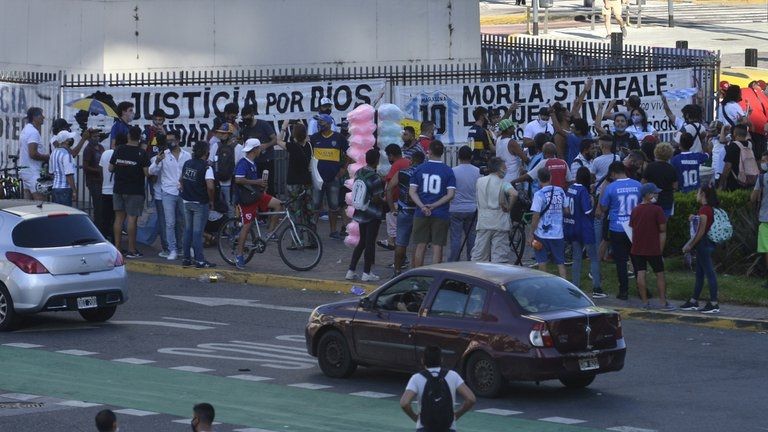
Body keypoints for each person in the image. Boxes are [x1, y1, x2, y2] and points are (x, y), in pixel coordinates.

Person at [400, 346, 476, 432]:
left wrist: (416, 418)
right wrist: (456, 415)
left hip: (424, 427)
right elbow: (471, 399)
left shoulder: (416, 378)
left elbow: (404, 403)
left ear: (423, 360)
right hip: (448, 427)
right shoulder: (453, 375)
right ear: (441, 359)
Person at [234, 139, 283, 269]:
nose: (261, 150)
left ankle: (270, 233)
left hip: (256, 195)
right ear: (255, 149)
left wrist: (260, 186)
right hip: (247, 200)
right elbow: (238, 179)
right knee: (247, 226)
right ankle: (239, 255)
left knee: (278, 204)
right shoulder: (243, 163)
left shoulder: (252, 162)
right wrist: (257, 182)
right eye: (259, 148)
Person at [409, 140, 456, 267]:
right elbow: (450, 194)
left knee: (420, 245)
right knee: (438, 246)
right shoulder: (448, 171)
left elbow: (412, 192)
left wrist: (422, 206)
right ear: (442, 153)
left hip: (421, 211)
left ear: (428, 152)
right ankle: (434, 275)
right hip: (441, 212)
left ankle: (417, 277)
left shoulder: (419, 169)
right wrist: (434, 205)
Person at [599, 161, 642, 300]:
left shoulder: (611, 187)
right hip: (635, 227)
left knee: (621, 261)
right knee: (637, 260)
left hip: (617, 227)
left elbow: (604, 207)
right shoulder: (638, 185)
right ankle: (642, 288)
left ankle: (623, 291)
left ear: (612, 173)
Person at [630, 183, 674, 310]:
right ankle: (663, 302)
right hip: (653, 249)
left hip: (637, 248)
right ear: (648, 195)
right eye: (655, 193)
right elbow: (662, 229)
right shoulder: (657, 210)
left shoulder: (635, 210)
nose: (657, 195)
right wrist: (660, 250)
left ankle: (645, 302)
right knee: (660, 274)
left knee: (640, 273)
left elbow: (633, 229)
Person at [680, 186, 722, 314]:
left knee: (709, 273)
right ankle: (693, 300)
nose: (696, 194)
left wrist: (690, 245)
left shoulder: (704, 209)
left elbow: (700, 231)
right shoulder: (709, 209)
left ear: (703, 194)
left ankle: (714, 303)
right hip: (706, 244)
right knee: (699, 273)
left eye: (698, 192)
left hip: (702, 244)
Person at [109, 126, 150, 258]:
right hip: (135, 190)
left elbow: (110, 168)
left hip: (119, 188)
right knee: (132, 219)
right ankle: (132, 250)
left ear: (128, 136)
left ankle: (117, 248)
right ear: (139, 138)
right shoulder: (141, 153)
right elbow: (146, 173)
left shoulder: (119, 149)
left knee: (119, 219)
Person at [346, 149, 386, 282]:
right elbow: (376, 198)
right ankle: (366, 272)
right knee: (369, 243)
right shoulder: (375, 178)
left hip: (360, 212)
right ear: (376, 161)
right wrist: (385, 202)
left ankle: (351, 270)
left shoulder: (359, 172)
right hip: (372, 214)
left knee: (362, 242)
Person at [149, 130, 190, 260]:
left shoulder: (187, 155)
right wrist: (157, 161)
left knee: (185, 221)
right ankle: (172, 250)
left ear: (178, 140)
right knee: (170, 223)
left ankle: (186, 248)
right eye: (168, 141)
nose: (170, 143)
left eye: (172, 140)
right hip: (168, 192)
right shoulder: (163, 155)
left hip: (183, 193)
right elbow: (151, 171)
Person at [565, 167, 604, 297]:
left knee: (576, 258)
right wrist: (592, 202)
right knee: (594, 258)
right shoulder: (582, 191)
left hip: (573, 226)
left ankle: (575, 286)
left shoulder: (570, 188)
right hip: (585, 228)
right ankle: (597, 288)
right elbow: (588, 212)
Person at [310, 113, 349, 240]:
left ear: (329, 123)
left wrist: (344, 168)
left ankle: (333, 231)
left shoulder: (339, 138)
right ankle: (312, 230)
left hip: (333, 178)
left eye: (322, 122)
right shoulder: (314, 138)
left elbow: (349, 152)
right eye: (319, 122)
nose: (319, 124)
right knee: (315, 205)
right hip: (317, 179)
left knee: (334, 206)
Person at [472, 157, 517, 263]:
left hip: (483, 221)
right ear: (500, 168)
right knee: (499, 257)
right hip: (500, 221)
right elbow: (514, 193)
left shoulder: (480, 181)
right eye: (505, 167)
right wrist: (509, 207)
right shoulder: (504, 183)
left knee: (479, 255)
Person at [179, 141, 216, 269]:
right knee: (197, 233)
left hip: (186, 201)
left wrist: (185, 191)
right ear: (206, 152)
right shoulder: (206, 167)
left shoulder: (187, 163)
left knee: (188, 231)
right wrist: (211, 201)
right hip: (200, 202)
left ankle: (186, 259)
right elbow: (210, 187)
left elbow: (181, 180)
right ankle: (200, 260)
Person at [388, 151, 425, 276]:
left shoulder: (402, 172)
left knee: (400, 243)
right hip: (419, 211)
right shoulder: (424, 174)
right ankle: (415, 272)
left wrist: (392, 208)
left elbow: (389, 188)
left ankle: (397, 270)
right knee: (417, 244)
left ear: (411, 160)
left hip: (404, 210)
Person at [529, 168, 567, 278]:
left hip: (541, 234)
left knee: (542, 261)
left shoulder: (538, 194)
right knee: (560, 262)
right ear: (550, 177)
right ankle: (565, 286)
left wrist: (531, 233)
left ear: (539, 180)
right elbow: (567, 210)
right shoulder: (560, 191)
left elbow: (535, 216)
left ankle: (544, 285)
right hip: (558, 233)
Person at [277, 122, 314, 228]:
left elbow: (278, 141)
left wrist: (284, 127)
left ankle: (298, 240)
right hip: (307, 182)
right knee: (309, 211)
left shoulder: (292, 146)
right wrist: (302, 124)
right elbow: (305, 137)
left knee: (295, 212)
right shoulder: (310, 146)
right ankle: (312, 239)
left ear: (294, 134)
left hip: (293, 183)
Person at [448, 146, 481, 262]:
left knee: (455, 238)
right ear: (471, 157)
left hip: (455, 208)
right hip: (472, 208)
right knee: (472, 237)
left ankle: (453, 261)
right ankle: (471, 261)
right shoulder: (477, 171)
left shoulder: (453, 171)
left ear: (458, 156)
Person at [378, 144, 411, 251]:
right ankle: (392, 241)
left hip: (396, 199)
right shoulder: (407, 161)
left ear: (391, 155)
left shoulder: (396, 165)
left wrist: (388, 203)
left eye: (388, 156)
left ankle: (393, 244)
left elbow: (389, 186)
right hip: (407, 200)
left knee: (393, 223)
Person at [241, 105, 278, 195]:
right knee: (256, 185)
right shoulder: (245, 130)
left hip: (267, 160)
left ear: (252, 115)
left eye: (248, 118)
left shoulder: (263, 124)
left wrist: (266, 145)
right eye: (244, 119)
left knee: (268, 185)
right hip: (254, 162)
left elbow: (275, 139)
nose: (246, 121)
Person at [209, 122, 242, 214]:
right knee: (223, 207)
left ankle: (231, 227)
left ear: (230, 134)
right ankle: (224, 227)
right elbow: (210, 164)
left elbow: (210, 162)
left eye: (224, 133)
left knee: (230, 207)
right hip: (218, 184)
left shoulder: (238, 148)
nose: (221, 135)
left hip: (231, 184)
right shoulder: (216, 145)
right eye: (220, 133)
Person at [19, 107, 49, 200]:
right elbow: (33, 154)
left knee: (27, 204)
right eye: (41, 115)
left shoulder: (26, 130)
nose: (43, 117)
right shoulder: (33, 132)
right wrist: (47, 157)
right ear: (34, 117)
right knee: (41, 202)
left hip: (26, 170)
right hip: (33, 172)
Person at [643, 142, 678, 219]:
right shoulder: (671, 168)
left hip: (652, 199)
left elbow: (643, 183)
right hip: (667, 201)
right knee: (663, 226)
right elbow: (675, 186)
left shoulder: (650, 166)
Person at [720, 124, 759, 191]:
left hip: (735, 182)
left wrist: (722, 183)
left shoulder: (733, 146)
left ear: (734, 133)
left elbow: (728, 166)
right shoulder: (751, 145)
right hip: (750, 180)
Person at [99, 134, 122, 241]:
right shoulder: (121, 154)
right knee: (117, 219)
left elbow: (100, 170)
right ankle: (115, 242)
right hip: (117, 191)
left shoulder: (105, 153)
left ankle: (103, 240)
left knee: (105, 218)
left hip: (105, 190)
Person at [751, 151, 768, 289]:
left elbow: (753, 197)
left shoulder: (762, 178)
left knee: (767, 251)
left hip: (765, 219)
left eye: (764, 160)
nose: (762, 163)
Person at [49, 131, 78, 207]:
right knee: (65, 215)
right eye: (70, 139)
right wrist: (74, 191)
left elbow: (51, 172)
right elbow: (69, 174)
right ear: (66, 141)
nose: (71, 140)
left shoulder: (53, 153)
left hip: (55, 188)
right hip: (65, 189)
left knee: (57, 214)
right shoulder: (66, 155)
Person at [83, 130, 105, 230]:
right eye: (94, 137)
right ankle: (98, 228)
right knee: (98, 206)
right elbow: (85, 166)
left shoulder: (101, 148)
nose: (96, 138)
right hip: (93, 180)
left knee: (102, 206)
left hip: (101, 181)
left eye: (98, 136)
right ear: (90, 138)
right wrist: (98, 171)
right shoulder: (88, 149)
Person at [495, 118, 528, 182]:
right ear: (508, 129)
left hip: (501, 177)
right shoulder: (511, 142)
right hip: (512, 179)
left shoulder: (498, 140)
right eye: (512, 127)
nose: (514, 129)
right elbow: (525, 159)